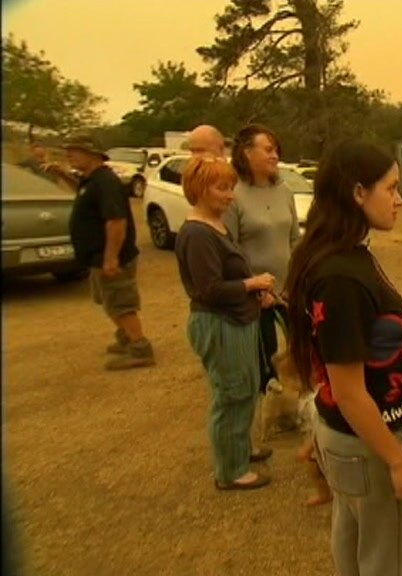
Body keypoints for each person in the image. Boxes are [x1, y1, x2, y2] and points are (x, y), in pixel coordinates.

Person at [284, 140, 402, 576]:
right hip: (371, 442)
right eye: (391, 188)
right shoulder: (341, 277)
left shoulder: (337, 256)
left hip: (349, 438)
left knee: (354, 545)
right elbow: (349, 392)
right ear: (357, 193)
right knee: (390, 561)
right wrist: (399, 461)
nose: (400, 199)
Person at [175, 155, 276, 491]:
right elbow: (210, 289)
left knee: (246, 389)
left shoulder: (217, 225)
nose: (230, 195)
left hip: (238, 318)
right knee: (231, 394)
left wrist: (255, 295)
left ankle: (242, 450)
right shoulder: (197, 234)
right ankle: (230, 471)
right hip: (220, 324)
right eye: (222, 188)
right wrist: (253, 285)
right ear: (200, 189)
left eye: (230, 187)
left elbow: (229, 276)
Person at [65, 134, 156, 371]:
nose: (69, 155)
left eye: (75, 151)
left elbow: (116, 220)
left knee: (120, 302)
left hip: (112, 256)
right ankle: (127, 336)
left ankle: (139, 347)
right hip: (96, 256)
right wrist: (58, 173)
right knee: (107, 300)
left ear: (92, 154)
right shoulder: (91, 180)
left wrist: (111, 256)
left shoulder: (105, 181)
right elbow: (85, 196)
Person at [225, 124, 299, 405]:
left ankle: (300, 401)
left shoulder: (285, 192)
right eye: (268, 149)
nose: (275, 155)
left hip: (288, 290)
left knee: (302, 349)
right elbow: (230, 249)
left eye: (276, 150)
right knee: (266, 355)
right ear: (246, 153)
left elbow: (294, 239)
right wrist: (257, 289)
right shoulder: (233, 195)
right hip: (257, 294)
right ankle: (273, 408)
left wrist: (295, 281)